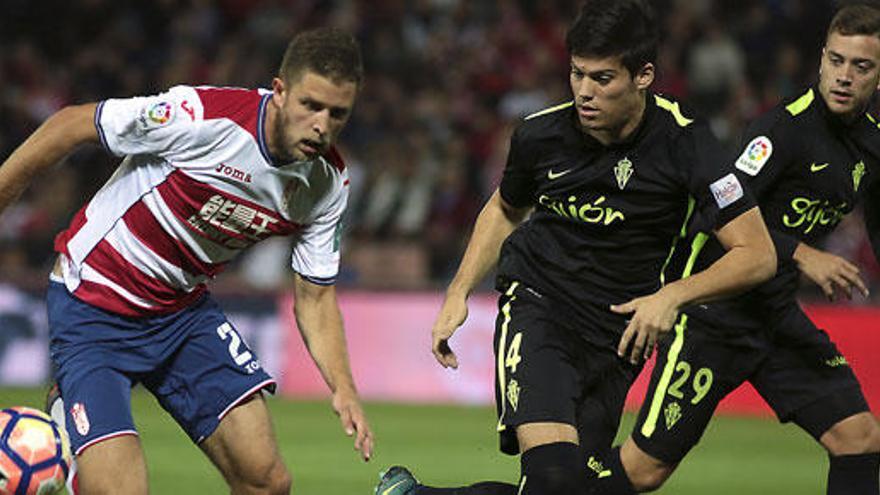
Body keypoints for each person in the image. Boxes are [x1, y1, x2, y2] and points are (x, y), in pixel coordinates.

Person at [375, 1, 777, 494]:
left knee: (575, 489)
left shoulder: (686, 143)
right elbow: (505, 208)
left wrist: (672, 297)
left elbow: (756, 254)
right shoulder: (541, 135)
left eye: (603, 79)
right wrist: (459, 291)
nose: (585, 92)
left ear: (644, 75)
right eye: (576, 74)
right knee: (554, 478)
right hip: (541, 307)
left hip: (619, 337)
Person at [0, 27, 374, 495]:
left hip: (181, 315)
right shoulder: (203, 117)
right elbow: (72, 124)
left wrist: (343, 387)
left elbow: (315, 298)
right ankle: (72, 427)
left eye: (338, 113)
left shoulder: (327, 182)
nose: (322, 124)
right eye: (310, 105)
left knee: (267, 482)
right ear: (279, 91)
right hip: (94, 303)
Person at [590, 4, 880, 495]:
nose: (844, 77)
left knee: (859, 438)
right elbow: (712, 212)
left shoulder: (872, 147)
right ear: (821, 60)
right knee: (644, 472)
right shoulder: (780, 132)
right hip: (714, 317)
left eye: (861, 66)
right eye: (835, 60)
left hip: (775, 317)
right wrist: (801, 253)